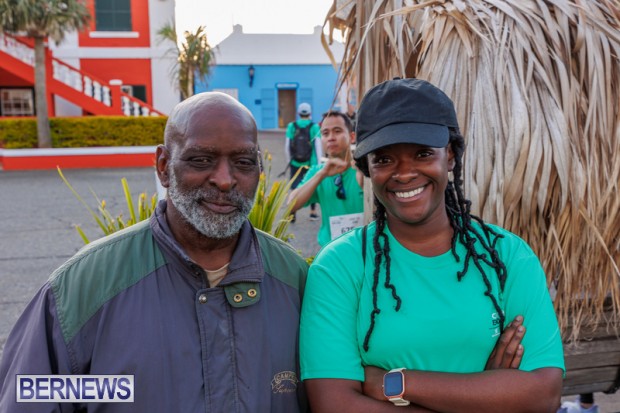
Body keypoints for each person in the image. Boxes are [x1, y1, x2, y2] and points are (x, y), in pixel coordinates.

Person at [0, 92, 309, 412]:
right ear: (163, 166)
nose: (224, 180)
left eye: (243, 162)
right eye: (201, 160)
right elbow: (32, 399)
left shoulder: (296, 282)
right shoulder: (82, 291)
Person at [300, 78, 565, 412]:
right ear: (367, 168)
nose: (404, 173)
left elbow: (543, 394)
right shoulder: (339, 266)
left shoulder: (506, 256)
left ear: (450, 155)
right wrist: (487, 396)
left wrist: (394, 383)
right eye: (384, 159)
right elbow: (334, 405)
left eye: (423, 153)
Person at [287, 111, 364, 247]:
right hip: (332, 251)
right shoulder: (318, 172)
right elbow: (291, 205)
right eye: (325, 133)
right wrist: (321, 174)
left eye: (337, 131)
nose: (331, 138)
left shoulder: (365, 170)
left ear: (352, 137)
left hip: (366, 248)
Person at [285, 102, 322, 222]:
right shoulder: (314, 127)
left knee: (295, 186)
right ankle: (313, 212)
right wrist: (319, 162)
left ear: (298, 113)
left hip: (295, 162)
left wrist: (289, 160)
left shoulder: (292, 126)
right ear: (310, 113)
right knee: (312, 185)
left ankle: (292, 213)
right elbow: (318, 145)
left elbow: (287, 145)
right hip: (311, 162)